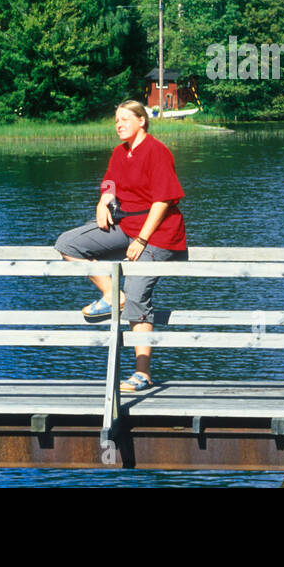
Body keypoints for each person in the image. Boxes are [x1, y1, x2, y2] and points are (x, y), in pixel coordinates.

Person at [54, 99, 188, 392]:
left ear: (142, 121)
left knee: (139, 295)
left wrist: (142, 239)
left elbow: (163, 200)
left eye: (126, 118)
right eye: (116, 119)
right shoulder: (119, 152)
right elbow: (110, 182)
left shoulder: (157, 151)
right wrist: (103, 201)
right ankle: (113, 294)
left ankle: (143, 374)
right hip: (126, 227)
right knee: (68, 244)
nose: (119, 124)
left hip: (158, 233)